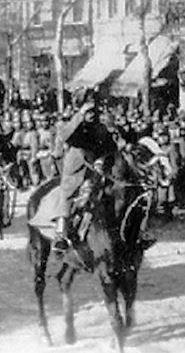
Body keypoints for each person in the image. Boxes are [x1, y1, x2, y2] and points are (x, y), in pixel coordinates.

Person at [53, 92, 117, 251]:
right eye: (87, 111)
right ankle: (60, 234)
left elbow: (110, 147)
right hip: (75, 167)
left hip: (96, 169)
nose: (91, 115)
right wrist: (79, 115)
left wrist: (102, 158)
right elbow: (64, 136)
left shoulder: (100, 128)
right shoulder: (73, 125)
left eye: (93, 112)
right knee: (67, 193)